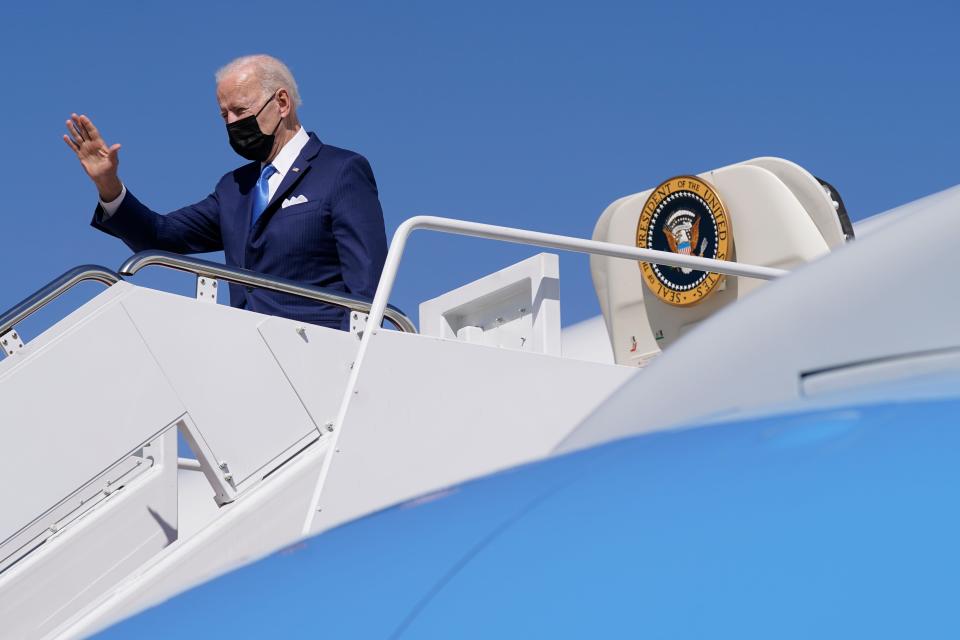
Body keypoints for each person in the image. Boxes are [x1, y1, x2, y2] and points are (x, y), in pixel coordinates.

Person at [64, 54, 388, 331]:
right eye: (224, 115)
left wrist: (353, 359)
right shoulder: (234, 189)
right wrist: (108, 184)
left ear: (282, 103)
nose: (232, 123)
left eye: (240, 110)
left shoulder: (340, 170)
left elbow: (366, 286)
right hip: (247, 353)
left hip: (320, 354)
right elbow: (159, 236)